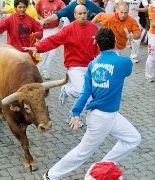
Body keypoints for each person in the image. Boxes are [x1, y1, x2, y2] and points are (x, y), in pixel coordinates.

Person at [42, 27, 141, 180]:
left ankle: (103, 166)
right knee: (82, 152)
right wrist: (127, 43)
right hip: (101, 118)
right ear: (114, 41)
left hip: (111, 116)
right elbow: (126, 69)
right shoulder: (124, 62)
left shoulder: (93, 64)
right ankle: (51, 175)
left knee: (133, 138)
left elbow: (85, 92)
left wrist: (75, 112)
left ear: (97, 44)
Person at [24, 5, 99, 109]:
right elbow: (53, 40)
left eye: (84, 13)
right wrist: (38, 47)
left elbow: (98, 46)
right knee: (82, 92)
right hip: (74, 67)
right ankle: (66, 90)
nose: (82, 16)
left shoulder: (93, 28)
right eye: (80, 14)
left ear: (87, 13)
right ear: (74, 15)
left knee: (90, 94)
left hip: (90, 66)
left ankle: (72, 116)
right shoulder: (68, 29)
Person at [35, 0, 65, 80]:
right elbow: (36, 12)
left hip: (54, 29)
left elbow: (65, 12)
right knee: (43, 52)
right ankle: (37, 69)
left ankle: (45, 70)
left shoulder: (60, 2)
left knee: (52, 53)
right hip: (43, 30)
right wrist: (42, 19)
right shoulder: (41, 2)